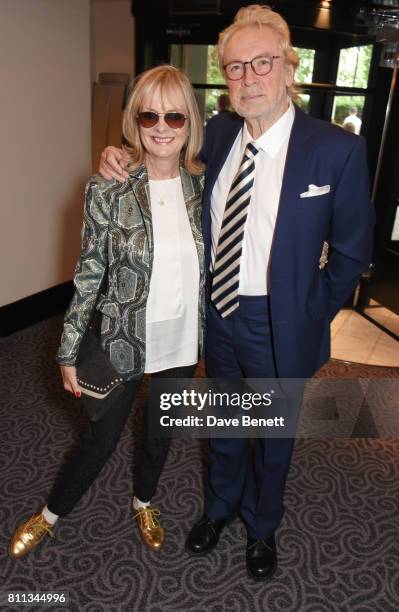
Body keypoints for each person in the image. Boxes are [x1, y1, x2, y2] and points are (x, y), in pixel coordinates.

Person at [97, 4, 374, 581]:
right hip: (219, 315)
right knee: (224, 424)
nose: (247, 78)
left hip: (283, 321)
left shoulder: (335, 150)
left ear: (288, 67)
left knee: (273, 436)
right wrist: (119, 156)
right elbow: (161, 151)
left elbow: (351, 252)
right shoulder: (218, 135)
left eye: (261, 63)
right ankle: (218, 509)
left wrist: (310, 308)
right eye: (235, 67)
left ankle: (262, 525)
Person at [9, 65, 205, 558]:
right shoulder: (108, 188)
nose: (161, 126)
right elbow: (89, 275)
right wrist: (68, 349)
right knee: (100, 438)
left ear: (190, 124)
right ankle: (50, 514)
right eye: (149, 114)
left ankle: (145, 501)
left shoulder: (203, 189)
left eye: (175, 115)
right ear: (134, 121)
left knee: (161, 432)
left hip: (181, 339)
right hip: (123, 339)